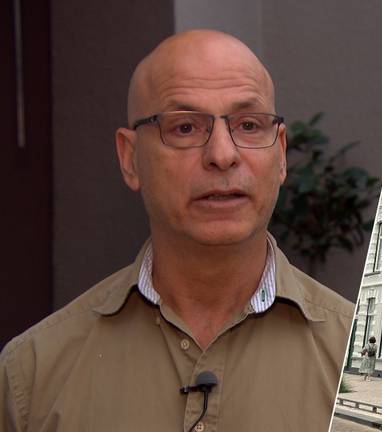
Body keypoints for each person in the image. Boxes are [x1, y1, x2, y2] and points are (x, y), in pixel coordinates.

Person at [0, 30, 353, 431]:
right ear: (130, 158)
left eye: (250, 125)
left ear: (282, 155)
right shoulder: (31, 375)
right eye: (185, 127)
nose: (223, 154)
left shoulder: (344, 352)